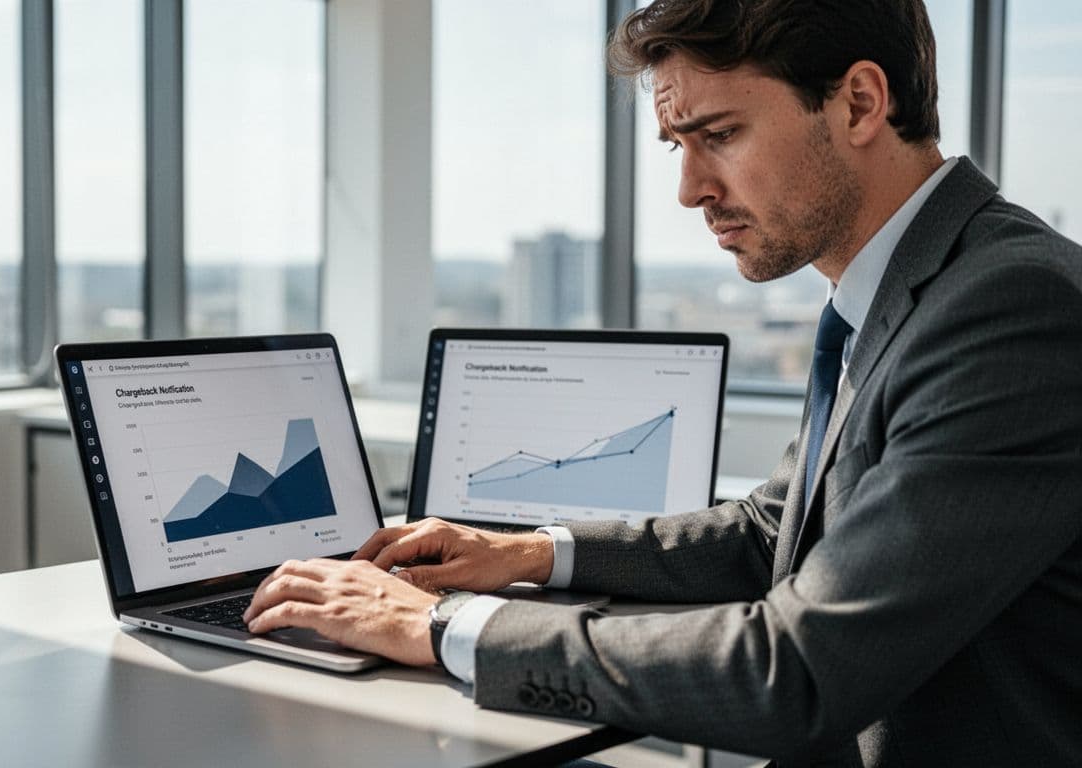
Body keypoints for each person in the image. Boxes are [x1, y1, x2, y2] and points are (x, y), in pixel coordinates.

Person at [243, 0, 1082, 764]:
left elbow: (794, 671)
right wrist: (528, 554)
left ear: (860, 103)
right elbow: (774, 533)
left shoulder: (1012, 307)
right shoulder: (899, 289)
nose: (690, 191)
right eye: (678, 146)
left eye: (719, 135)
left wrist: (436, 623)